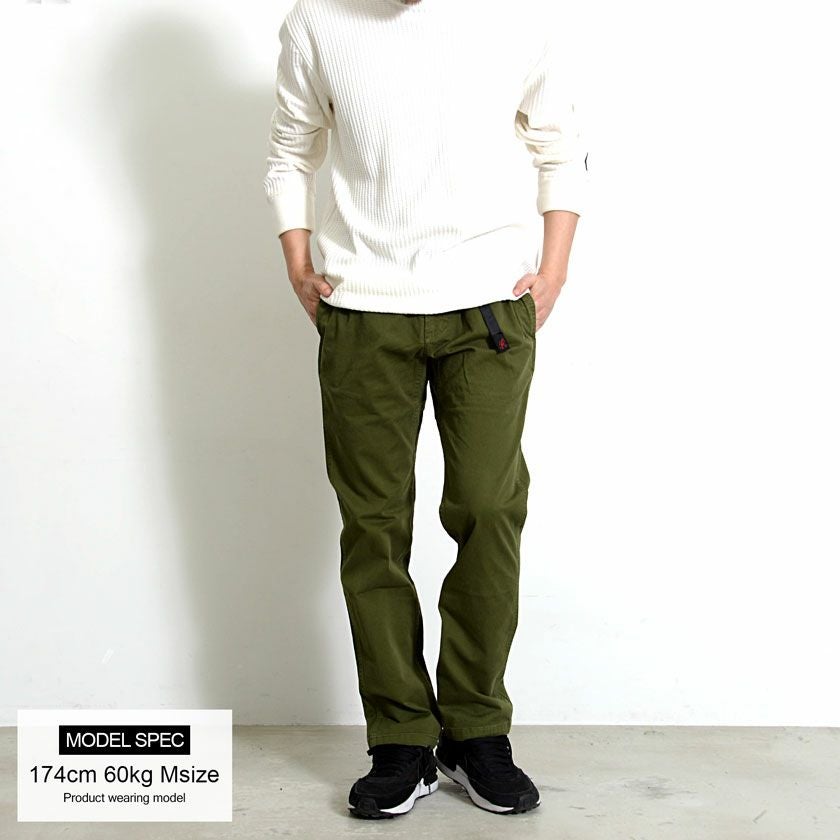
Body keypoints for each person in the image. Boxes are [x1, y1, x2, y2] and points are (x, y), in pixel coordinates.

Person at [263, 0, 589, 819]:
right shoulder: (317, 21)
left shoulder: (517, 17)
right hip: (363, 308)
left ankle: (476, 730)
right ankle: (400, 739)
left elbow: (560, 147)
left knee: (487, 507)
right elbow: (291, 150)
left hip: (488, 305)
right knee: (373, 525)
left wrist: (553, 271)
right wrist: (299, 263)